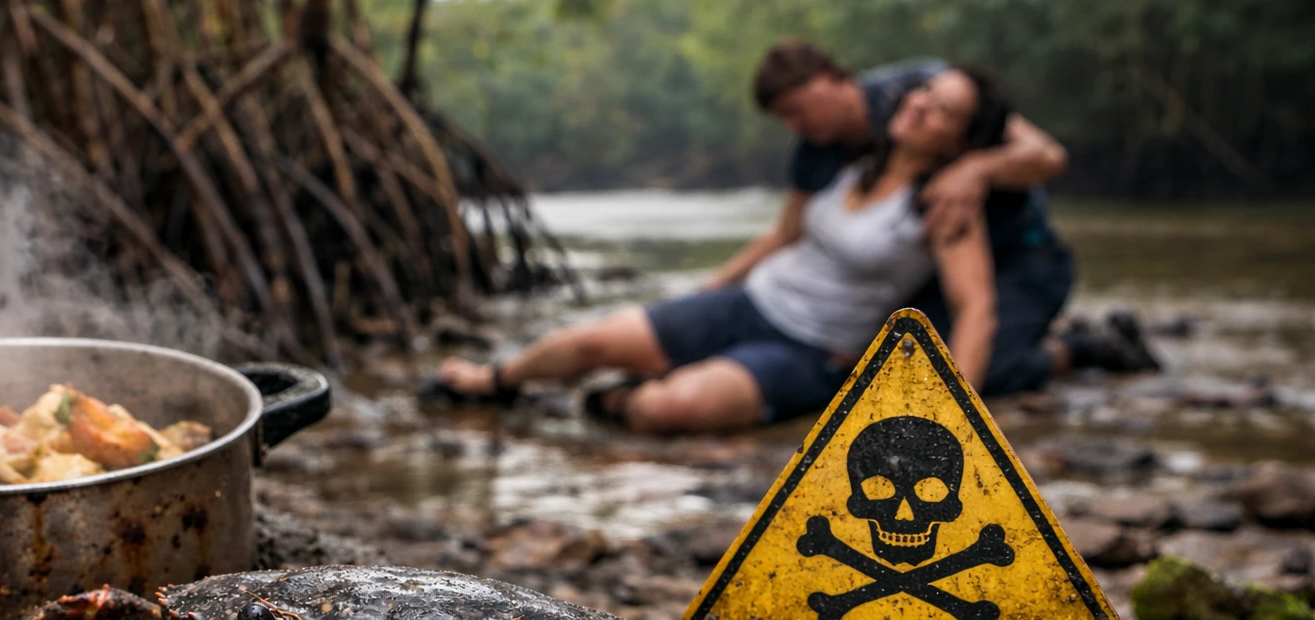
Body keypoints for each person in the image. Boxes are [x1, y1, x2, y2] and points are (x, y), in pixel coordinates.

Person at [430, 43, 1154, 433]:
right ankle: (492, 382)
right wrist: (713, 287)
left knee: (669, 411)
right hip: (753, 303)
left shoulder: (950, 202)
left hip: (817, 345)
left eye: (942, 111)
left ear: (966, 138)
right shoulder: (836, 157)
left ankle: (615, 401)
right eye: (921, 99)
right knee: (591, 341)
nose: (922, 105)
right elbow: (783, 234)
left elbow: (976, 309)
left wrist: (955, 416)